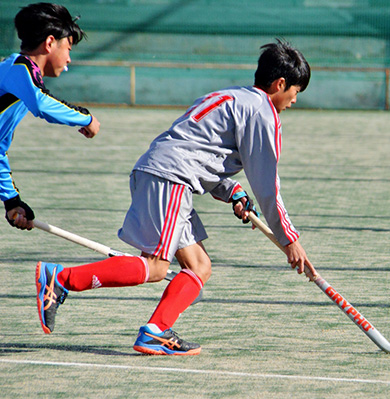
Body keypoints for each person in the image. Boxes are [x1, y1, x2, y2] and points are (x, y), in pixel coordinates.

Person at [35, 39, 317, 356]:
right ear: (280, 83)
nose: (293, 100)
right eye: (295, 92)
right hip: (171, 180)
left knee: (199, 267)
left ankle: (154, 332)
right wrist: (289, 238)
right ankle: (61, 278)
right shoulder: (263, 113)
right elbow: (268, 185)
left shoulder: (232, 97)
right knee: (155, 267)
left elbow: (200, 153)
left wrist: (232, 191)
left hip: (160, 173)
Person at [1, 3, 101, 230]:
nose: (69, 59)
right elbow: (42, 104)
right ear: (49, 43)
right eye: (68, 49)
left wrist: (12, 201)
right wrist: (86, 118)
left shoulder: (20, 83)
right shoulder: (19, 68)